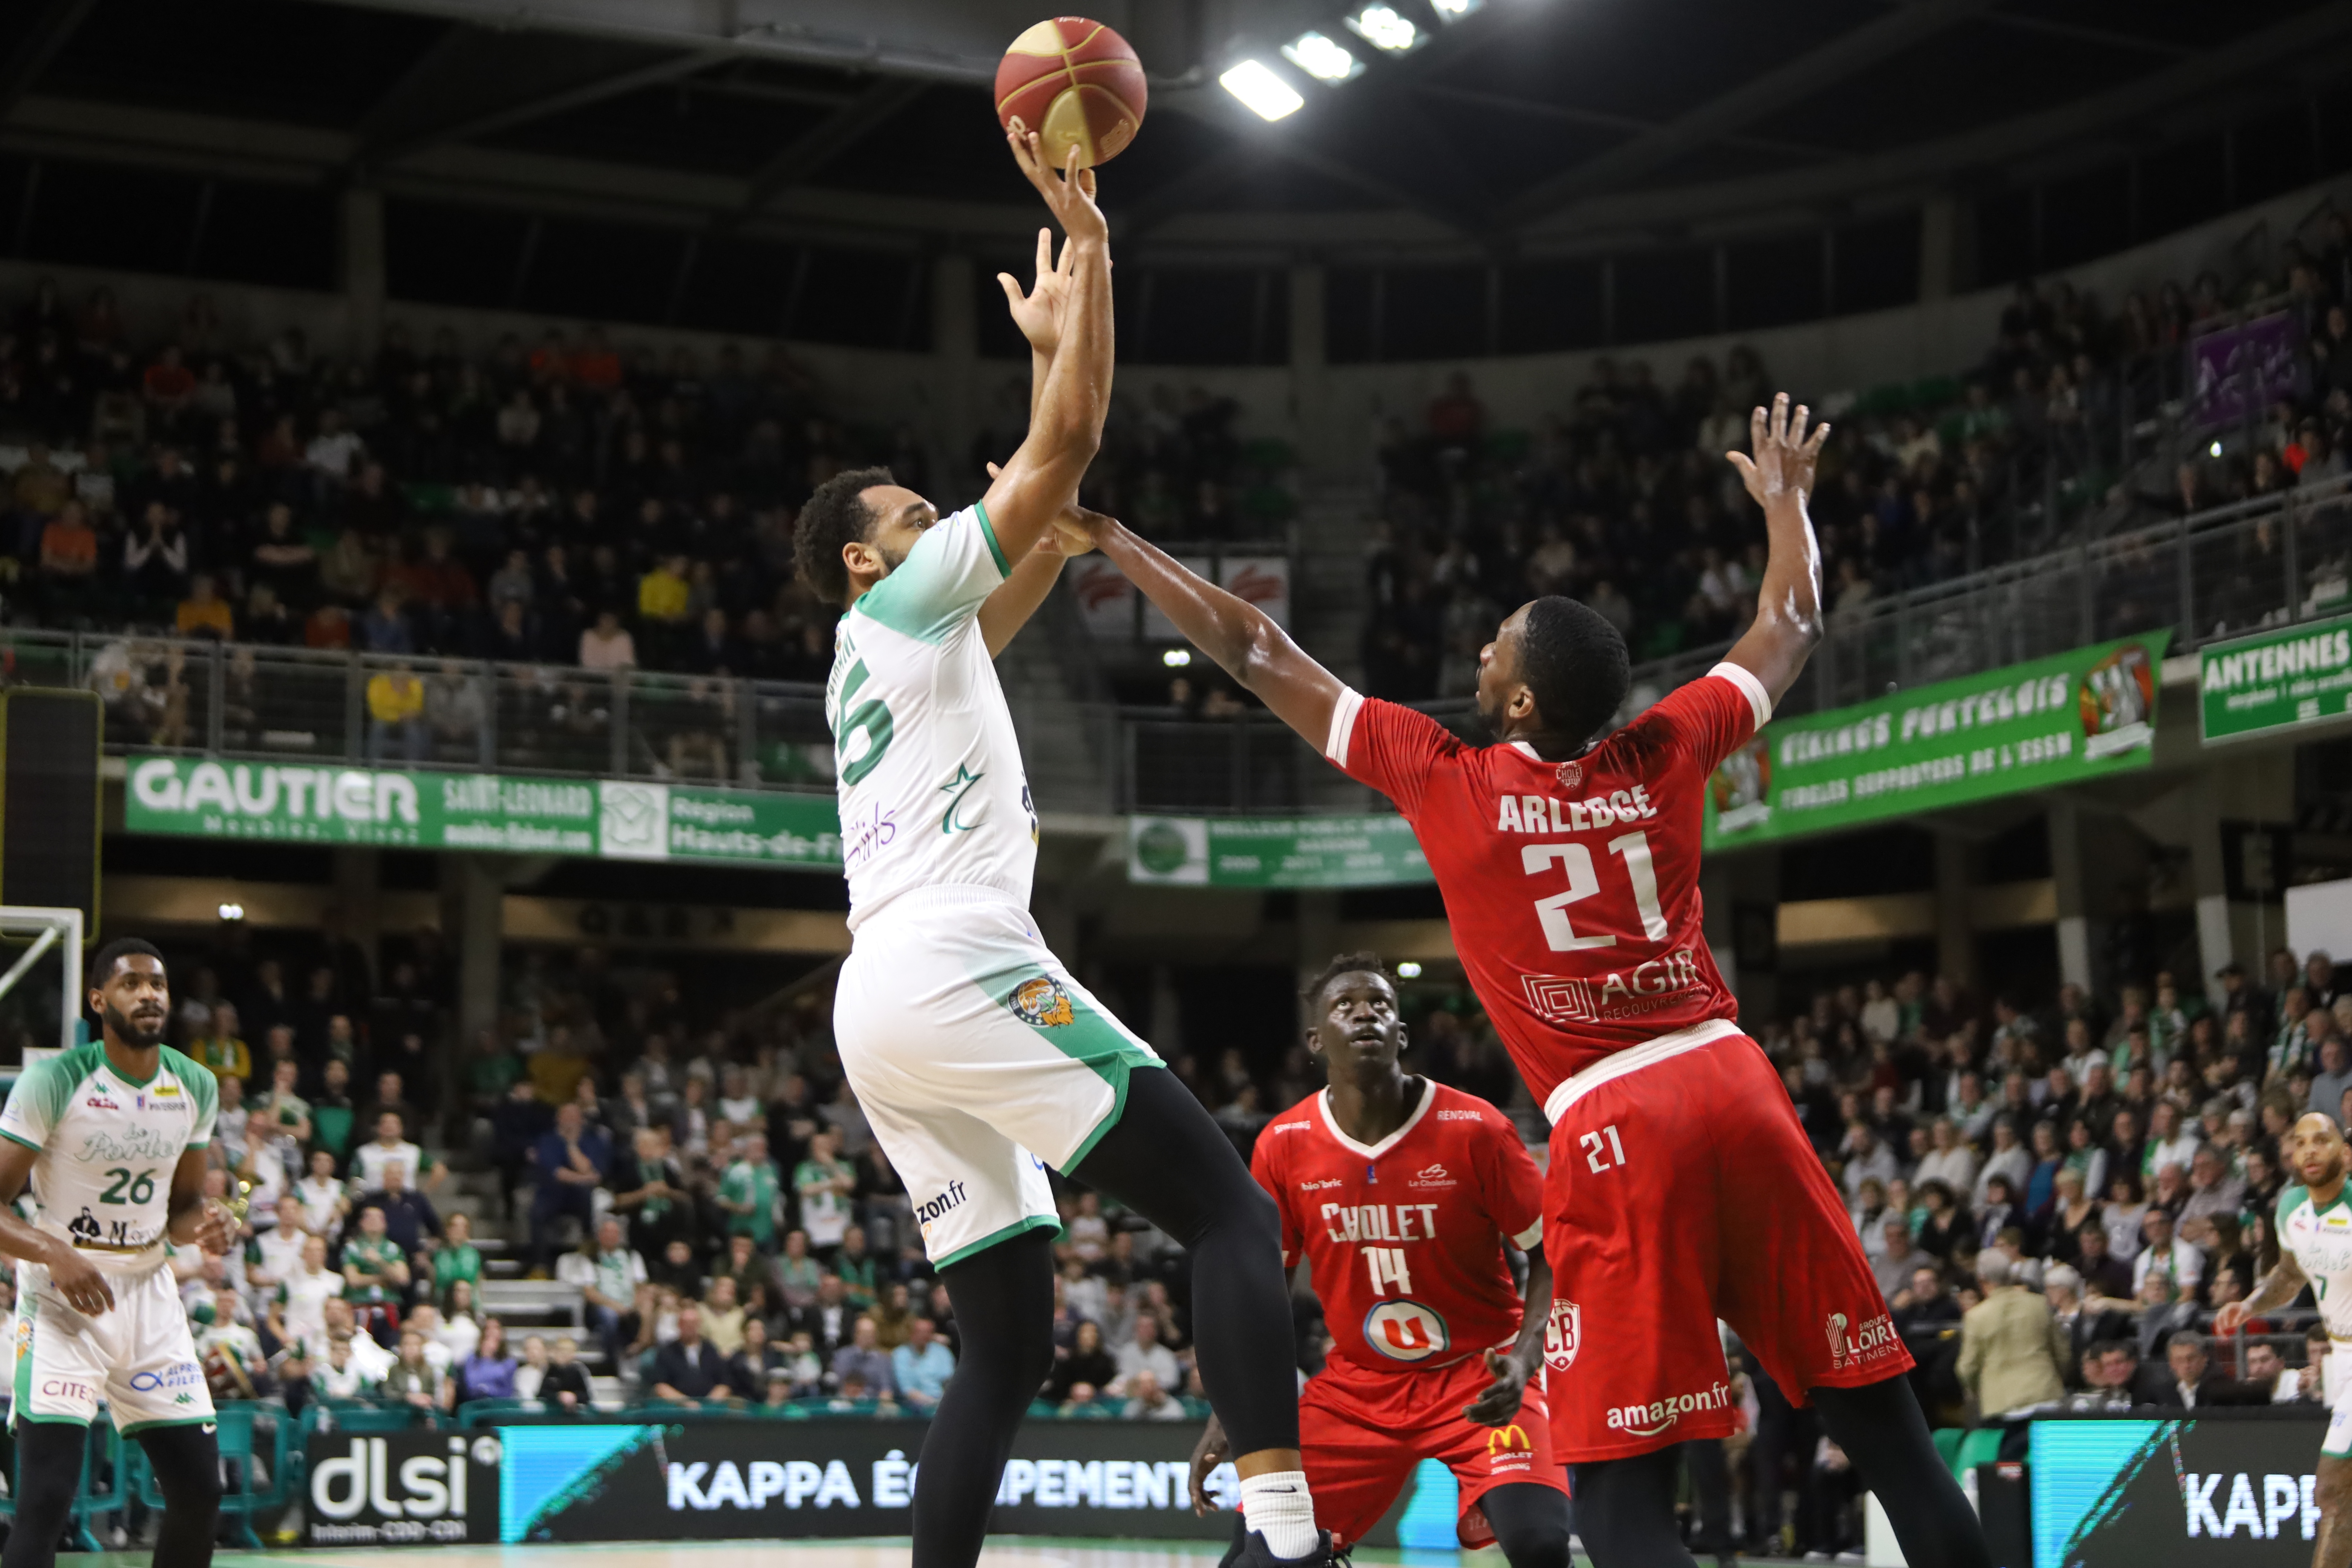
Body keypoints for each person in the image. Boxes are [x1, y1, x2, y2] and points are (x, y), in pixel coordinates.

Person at [1071, 395, 1987, 1568]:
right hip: (1739, 1087)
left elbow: (1255, 648)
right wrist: (1787, 505)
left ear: (1515, 702)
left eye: (1494, 646)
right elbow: (1794, 618)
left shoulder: (1444, 777)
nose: (1476, 652)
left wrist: (1111, 539)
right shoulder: (1667, 744)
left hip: (1615, 1122)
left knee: (1615, 1500)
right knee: (1893, 1441)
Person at [804, 122, 1321, 1568]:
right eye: (913, 515)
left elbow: (1042, 521)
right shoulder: (898, 608)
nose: (939, 518)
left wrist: (1049, 362)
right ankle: (1289, 1540)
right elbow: (1068, 456)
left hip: (882, 1007)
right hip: (957, 965)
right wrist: (1088, 244)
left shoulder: (895, 646)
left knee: (1006, 1346)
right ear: (863, 557)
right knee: (1225, 1209)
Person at [1190, 956, 1571, 1567]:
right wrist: (1229, 1411)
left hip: (1482, 1371)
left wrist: (1527, 1360)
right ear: (1316, 1040)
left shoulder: (1477, 1129)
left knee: (1540, 1544)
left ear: (1401, 1034)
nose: (1365, 1012)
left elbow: (1551, 1253)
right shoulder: (1283, 1145)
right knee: (1260, 1554)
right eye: (1345, 1005)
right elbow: (1265, 1291)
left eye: (1381, 1005)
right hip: (1359, 1385)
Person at [0, 938, 235, 1568]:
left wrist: (206, 1227)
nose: (150, 994)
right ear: (100, 1000)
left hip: (148, 1297)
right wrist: (54, 1253)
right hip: (61, 1299)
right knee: (47, 1501)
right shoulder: (56, 1078)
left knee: (200, 1490)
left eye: (158, 984)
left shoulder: (195, 1085)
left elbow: (181, 1210)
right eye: (132, 984)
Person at [2218, 1111, 2352, 1561]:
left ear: (2346, 1154)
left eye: (2323, 1139)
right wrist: (2252, 1305)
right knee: (2339, 1497)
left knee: (2332, 1487)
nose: (2311, 1149)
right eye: (2301, 1142)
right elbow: (2291, 1273)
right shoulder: (2291, 1207)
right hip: (2342, 1353)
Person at [1955, 1252, 2067, 1419]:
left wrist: (1979, 1390)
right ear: (2011, 1275)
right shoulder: (2040, 1304)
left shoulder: (1976, 1317)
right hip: (2046, 1395)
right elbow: (2063, 1355)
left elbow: (1967, 1368)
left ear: (1981, 1279)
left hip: (2002, 1404)